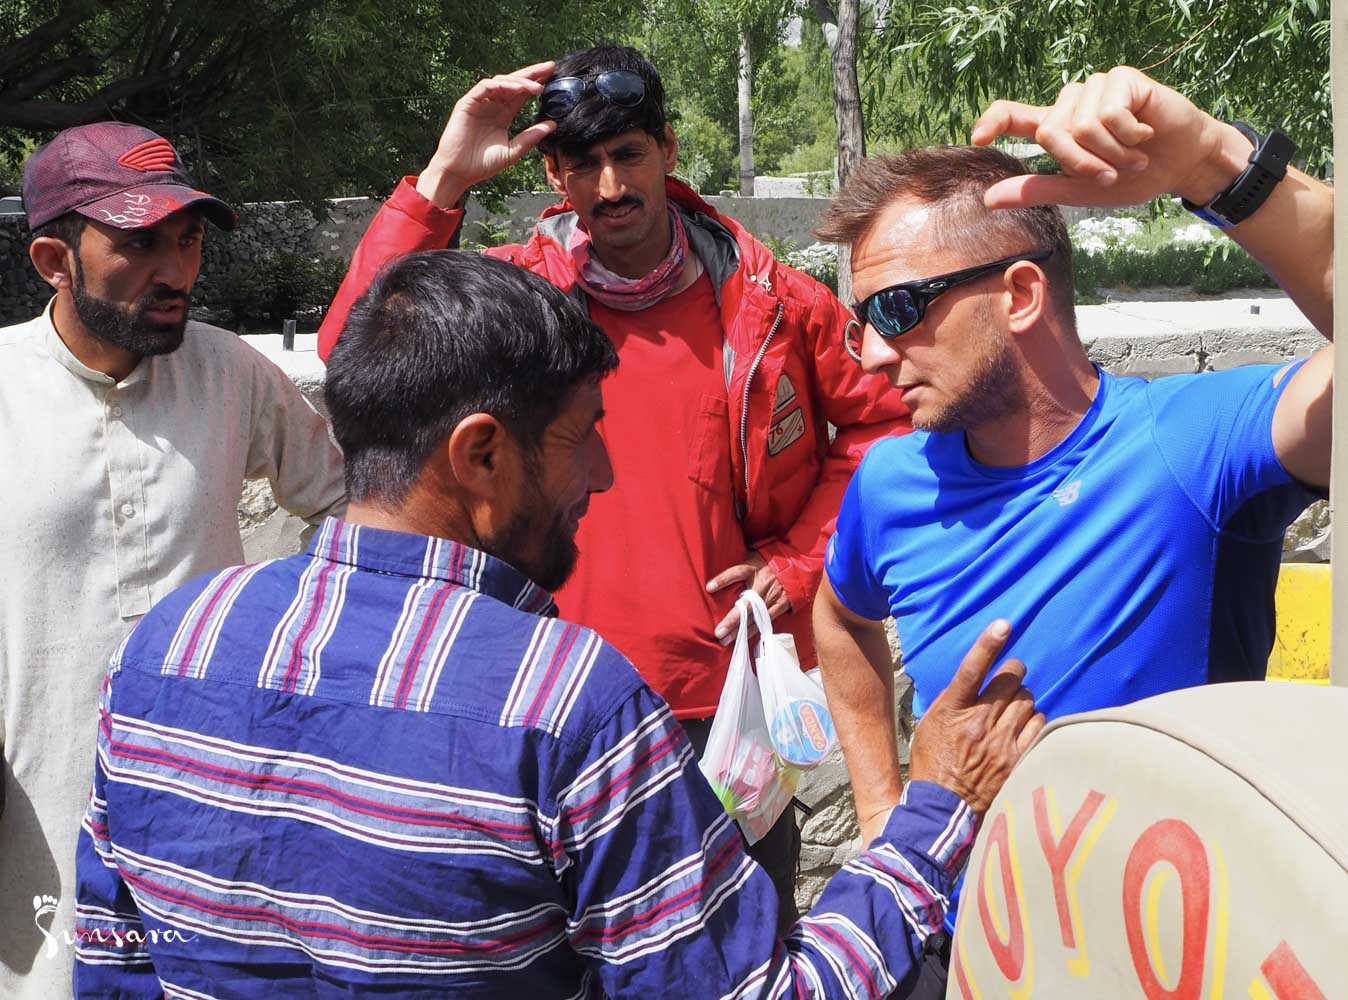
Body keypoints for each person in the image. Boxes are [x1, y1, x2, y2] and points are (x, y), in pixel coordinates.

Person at [73, 250, 1044, 997]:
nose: (603, 475)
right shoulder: (563, 703)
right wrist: (934, 809)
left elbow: (110, 962)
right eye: (582, 436)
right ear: (482, 455)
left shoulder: (167, 646)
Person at [315, 45, 908, 928]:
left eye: (628, 154)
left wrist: (796, 564)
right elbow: (356, 356)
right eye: (582, 164)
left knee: (743, 950)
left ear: (668, 149)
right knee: (556, 958)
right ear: (553, 174)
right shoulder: (511, 302)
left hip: (723, 710)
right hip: (529, 699)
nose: (611, 186)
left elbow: (885, 428)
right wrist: (444, 179)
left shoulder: (774, 304)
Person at [812, 66, 1333, 994]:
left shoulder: (1185, 447)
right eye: (863, 321)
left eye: (897, 310)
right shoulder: (890, 483)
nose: (875, 354)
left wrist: (1214, 163)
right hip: (968, 955)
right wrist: (884, 810)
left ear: (1019, 294)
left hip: (1173, 966)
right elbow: (839, 617)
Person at [0, 122, 346, 996]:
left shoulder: (230, 372)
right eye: (140, 244)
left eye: (187, 240)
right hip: (36, 804)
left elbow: (347, 504)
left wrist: (292, 630)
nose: (177, 270)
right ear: (54, 260)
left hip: (215, 795)